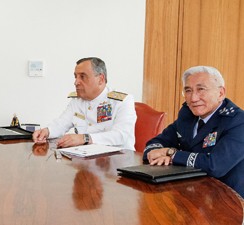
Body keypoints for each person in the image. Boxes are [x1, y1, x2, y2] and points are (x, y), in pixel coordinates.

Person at [144, 66, 244, 196]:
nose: (193, 98)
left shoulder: (237, 121)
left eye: (201, 89)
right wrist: (155, 153)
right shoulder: (187, 114)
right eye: (188, 90)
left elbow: (215, 165)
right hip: (191, 194)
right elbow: (156, 142)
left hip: (229, 201)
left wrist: (171, 154)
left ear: (220, 93)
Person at [32, 57, 136, 150]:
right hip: (86, 160)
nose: (76, 82)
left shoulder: (122, 101)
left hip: (117, 162)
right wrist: (46, 131)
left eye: (82, 76)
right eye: (75, 76)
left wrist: (85, 138)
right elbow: (61, 123)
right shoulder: (77, 101)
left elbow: (121, 135)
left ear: (100, 79)